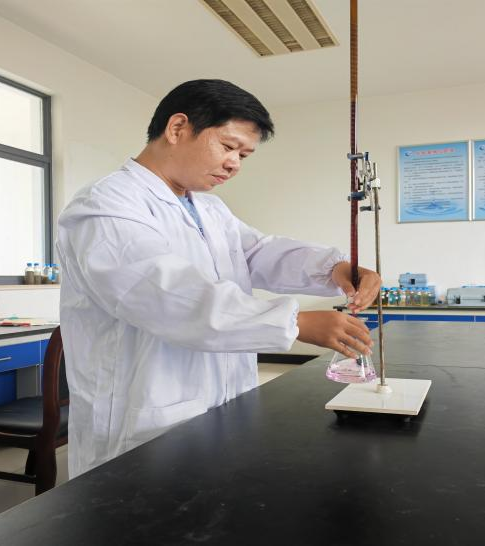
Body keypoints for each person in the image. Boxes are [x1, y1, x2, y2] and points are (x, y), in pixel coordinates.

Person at [56, 79, 380, 477]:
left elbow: (256, 252)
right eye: (228, 146)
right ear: (177, 128)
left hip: (220, 407)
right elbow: (167, 295)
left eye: (243, 155)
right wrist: (295, 322)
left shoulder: (208, 208)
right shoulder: (105, 206)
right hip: (140, 423)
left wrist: (333, 268)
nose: (234, 164)